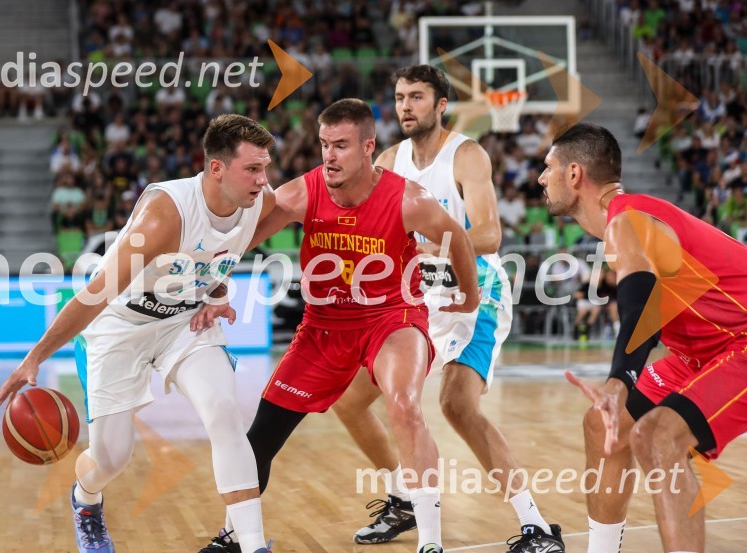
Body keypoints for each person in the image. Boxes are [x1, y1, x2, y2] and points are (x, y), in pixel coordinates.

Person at [199, 98, 480, 553]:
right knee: (260, 437)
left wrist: (470, 295)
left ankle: (431, 543)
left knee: (404, 406)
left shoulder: (408, 199)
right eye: (324, 144)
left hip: (392, 315)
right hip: (324, 325)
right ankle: (235, 534)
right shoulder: (302, 192)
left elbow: (459, 238)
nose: (329, 155)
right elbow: (240, 238)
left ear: (368, 147)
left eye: (341, 146)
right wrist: (216, 284)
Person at [0, 115, 278, 553]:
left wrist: (217, 289)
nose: (263, 178)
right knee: (111, 458)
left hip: (184, 321)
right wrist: (35, 358)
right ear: (217, 169)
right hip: (121, 323)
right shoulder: (164, 215)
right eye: (252, 169)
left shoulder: (259, 200)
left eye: (265, 167)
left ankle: (253, 545)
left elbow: (222, 250)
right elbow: (93, 296)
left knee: (224, 413)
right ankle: (86, 500)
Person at [331, 65, 565, 552]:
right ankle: (403, 498)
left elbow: (490, 234)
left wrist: (430, 246)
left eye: (417, 97)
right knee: (348, 400)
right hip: (418, 296)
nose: (405, 106)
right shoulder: (391, 160)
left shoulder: (466, 155)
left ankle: (537, 527)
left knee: (456, 404)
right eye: (399, 97)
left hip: (474, 287)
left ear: (440, 105)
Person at [539, 122, 747, 553]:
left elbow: (640, 300)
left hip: (741, 340)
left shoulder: (627, 219)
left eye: (549, 167)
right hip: (701, 353)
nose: (541, 178)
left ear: (575, 174)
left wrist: (620, 378)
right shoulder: (631, 219)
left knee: (657, 437)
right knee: (604, 426)